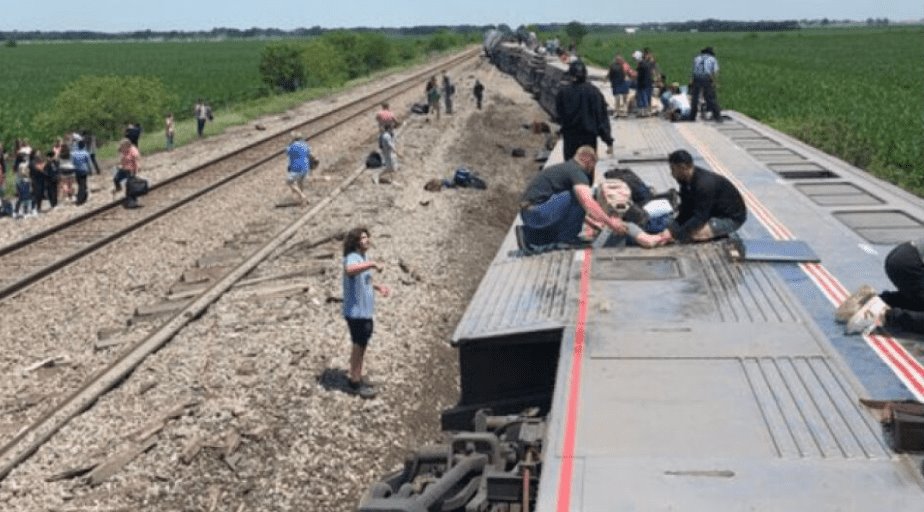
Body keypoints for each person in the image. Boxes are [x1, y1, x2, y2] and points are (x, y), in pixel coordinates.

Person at [517, 146, 636, 251]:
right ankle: (567, 239)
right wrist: (612, 224)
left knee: (576, 198)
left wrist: (597, 224)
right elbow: (588, 205)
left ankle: (529, 235)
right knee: (580, 197)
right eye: (593, 163)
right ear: (587, 159)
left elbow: (571, 210)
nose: (592, 168)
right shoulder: (576, 172)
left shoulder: (566, 168)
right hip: (538, 213)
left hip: (530, 214)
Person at [657, 149, 746, 244]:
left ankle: (725, 234)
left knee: (694, 234)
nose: (671, 174)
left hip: (730, 218)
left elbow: (700, 217)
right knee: (679, 229)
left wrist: (676, 235)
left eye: (673, 169)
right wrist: (671, 230)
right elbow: (685, 211)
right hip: (711, 213)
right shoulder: (685, 180)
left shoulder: (704, 184)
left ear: (682, 167)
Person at [342, 226, 390, 399]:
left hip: (364, 312)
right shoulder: (352, 257)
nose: (367, 240)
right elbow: (350, 270)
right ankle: (354, 382)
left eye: (367, 237)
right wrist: (371, 264)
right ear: (356, 242)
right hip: (356, 313)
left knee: (362, 345)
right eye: (363, 238)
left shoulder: (363, 257)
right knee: (358, 345)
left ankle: (358, 375)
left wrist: (378, 287)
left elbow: (365, 278)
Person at [840, 240, 924, 336]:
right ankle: (881, 314)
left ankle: (875, 300)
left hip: (903, 254)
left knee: (919, 303)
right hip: (912, 264)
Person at [554, 60, 614, 165]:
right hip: (588, 138)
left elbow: (559, 115)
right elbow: (601, 118)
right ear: (585, 74)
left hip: (570, 137)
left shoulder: (563, 92)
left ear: (571, 75)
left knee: (571, 169)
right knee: (587, 169)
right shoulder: (594, 92)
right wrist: (608, 140)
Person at [690, 47, 723, 122]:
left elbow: (694, 70)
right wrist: (714, 82)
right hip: (706, 78)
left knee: (695, 98)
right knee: (711, 97)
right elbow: (715, 72)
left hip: (696, 78)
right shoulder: (712, 59)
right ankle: (717, 117)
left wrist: (692, 81)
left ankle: (692, 116)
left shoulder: (697, 58)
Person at [285, 131, 311, 206]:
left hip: (296, 168)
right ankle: (302, 201)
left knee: (289, 182)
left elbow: (287, 152)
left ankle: (303, 196)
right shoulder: (305, 145)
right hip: (306, 167)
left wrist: (290, 143)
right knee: (300, 183)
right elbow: (309, 152)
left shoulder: (292, 146)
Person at [71, 139, 92, 205]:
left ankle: (84, 196)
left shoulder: (74, 153)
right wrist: (90, 170)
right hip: (84, 170)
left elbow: (72, 162)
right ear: (84, 146)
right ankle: (80, 200)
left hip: (76, 170)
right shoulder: (85, 153)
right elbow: (88, 162)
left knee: (80, 184)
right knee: (82, 185)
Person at [633, 50, 653, 117]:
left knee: (642, 98)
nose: (634, 59)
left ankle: (644, 112)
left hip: (642, 84)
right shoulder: (644, 64)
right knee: (643, 97)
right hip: (644, 83)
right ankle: (643, 112)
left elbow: (639, 75)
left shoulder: (641, 65)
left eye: (635, 58)